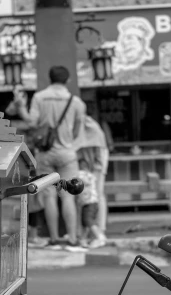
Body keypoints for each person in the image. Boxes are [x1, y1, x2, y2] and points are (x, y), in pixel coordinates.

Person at [14, 66, 87, 251]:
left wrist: (20, 106)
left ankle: (54, 238)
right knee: (69, 196)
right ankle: (71, 238)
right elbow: (78, 130)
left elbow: (31, 121)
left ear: (50, 78)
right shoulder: (76, 102)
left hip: (45, 153)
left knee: (49, 196)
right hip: (67, 153)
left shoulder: (40, 97)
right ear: (68, 80)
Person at [76, 115, 109, 245]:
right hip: (91, 161)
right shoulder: (86, 125)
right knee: (90, 197)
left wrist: (96, 169)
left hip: (97, 161)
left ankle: (99, 232)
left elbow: (99, 156)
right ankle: (87, 233)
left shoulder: (88, 126)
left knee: (97, 195)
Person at [75, 158, 103, 248]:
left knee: (88, 221)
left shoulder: (80, 174)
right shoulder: (91, 175)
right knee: (85, 222)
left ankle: (99, 237)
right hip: (94, 202)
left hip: (88, 202)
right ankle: (83, 239)